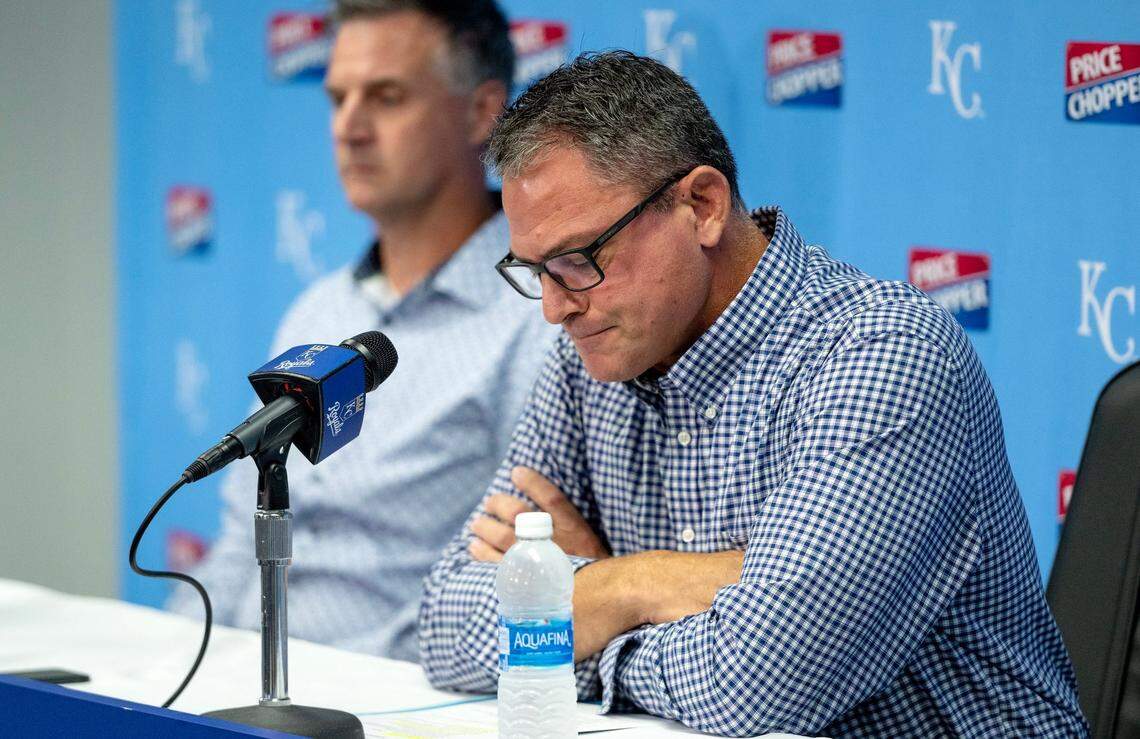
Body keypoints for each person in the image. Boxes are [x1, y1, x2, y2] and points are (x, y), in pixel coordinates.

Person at [417, 51, 1088, 736]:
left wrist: (576, 603)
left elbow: (759, 683)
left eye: (579, 260)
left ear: (701, 206)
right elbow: (444, 622)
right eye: (534, 270)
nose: (554, 309)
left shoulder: (883, 353)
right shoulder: (588, 359)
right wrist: (637, 583)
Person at [169, 0, 556, 664]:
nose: (349, 128)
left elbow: (528, 570)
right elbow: (238, 542)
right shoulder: (318, 312)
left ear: (482, 112)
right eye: (338, 98)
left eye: (387, 96)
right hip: (246, 684)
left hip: (395, 698)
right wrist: (166, 668)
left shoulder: (541, 317)